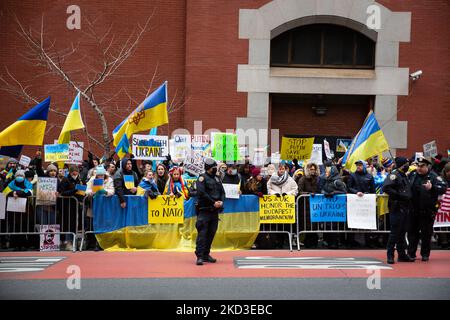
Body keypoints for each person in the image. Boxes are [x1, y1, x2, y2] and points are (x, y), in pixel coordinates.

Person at [407, 156, 447, 261]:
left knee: (426, 234)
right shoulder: (413, 174)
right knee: (412, 233)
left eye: (422, 166)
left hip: (427, 210)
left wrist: (432, 188)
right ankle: (411, 253)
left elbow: (443, 188)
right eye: (418, 166)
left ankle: (425, 254)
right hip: (413, 210)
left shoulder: (434, 176)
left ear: (427, 166)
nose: (419, 168)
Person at [382, 157, 415, 264]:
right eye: (406, 164)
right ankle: (390, 255)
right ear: (402, 164)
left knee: (402, 233)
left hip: (405, 207)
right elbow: (386, 187)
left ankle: (402, 255)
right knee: (394, 233)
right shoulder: (394, 175)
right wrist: (399, 195)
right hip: (397, 207)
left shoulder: (404, 175)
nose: (407, 165)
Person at [195, 158, 225, 266]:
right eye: (214, 168)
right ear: (209, 168)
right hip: (204, 210)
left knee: (211, 234)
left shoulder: (217, 179)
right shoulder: (202, 178)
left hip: (214, 212)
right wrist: (213, 202)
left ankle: (206, 254)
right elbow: (201, 193)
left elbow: (222, 192)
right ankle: (199, 256)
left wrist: (221, 201)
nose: (215, 169)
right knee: (202, 234)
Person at [346, 160, 376, 248]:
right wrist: (356, 192)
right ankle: (351, 242)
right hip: (355, 203)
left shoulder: (369, 176)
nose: (358, 167)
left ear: (364, 166)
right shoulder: (352, 175)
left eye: (360, 165)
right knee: (353, 221)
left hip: (367, 203)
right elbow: (349, 187)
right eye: (357, 165)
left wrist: (369, 195)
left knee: (368, 222)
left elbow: (373, 190)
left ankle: (368, 242)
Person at [58, 165, 84, 251]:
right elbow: (62, 192)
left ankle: (74, 242)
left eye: (77, 171)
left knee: (75, 224)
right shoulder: (65, 179)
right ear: (70, 172)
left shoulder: (80, 180)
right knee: (67, 223)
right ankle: (67, 242)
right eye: (73, 172)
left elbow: (83, 192)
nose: (75, 173)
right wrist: (74, 191)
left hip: (77, 205)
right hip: (67, 205)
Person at [297, 162, 320, 248]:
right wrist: (308, 194)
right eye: (311, 169)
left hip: (315, 206)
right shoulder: (303, 179)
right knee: (307, 225)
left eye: (314, 169)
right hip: (305, 205)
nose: (312, 171)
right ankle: (308, 243)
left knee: (314, 225)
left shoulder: (318, 179)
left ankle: (314, 243)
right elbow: (299, 191)